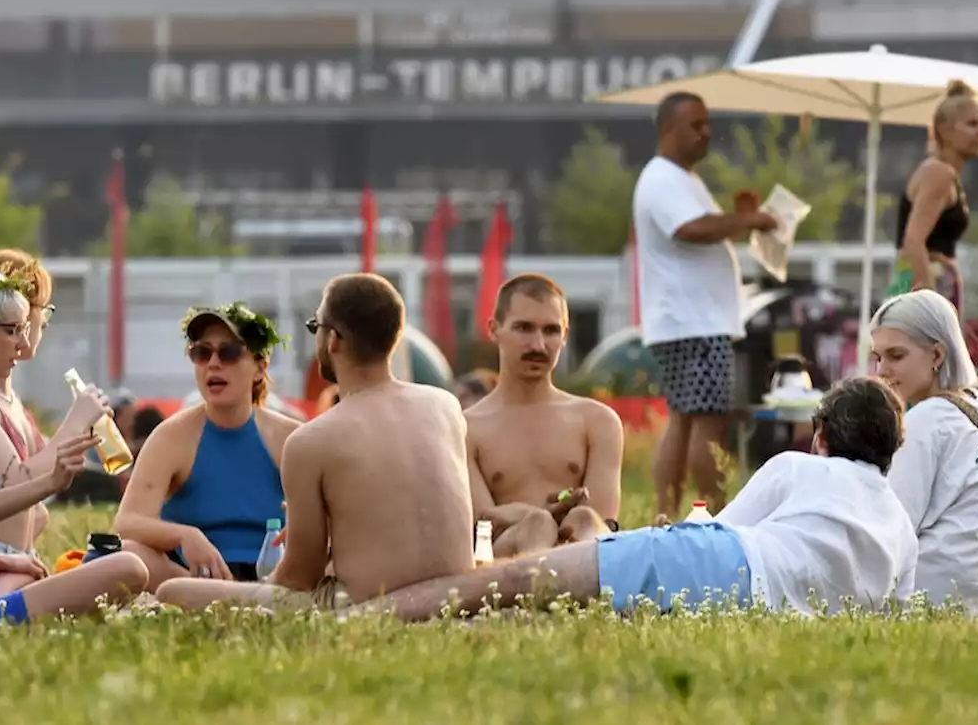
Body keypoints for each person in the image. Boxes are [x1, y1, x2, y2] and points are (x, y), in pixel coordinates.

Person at [348, 376, 918, 622]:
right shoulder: (900, 527)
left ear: (821, 437)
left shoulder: (799, 466)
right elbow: (892, 610)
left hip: (721, 565)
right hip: (753, 602)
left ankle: (361, 620)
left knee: (512, 584)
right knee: (552, 601)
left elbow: (720, 529)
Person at [155, 273, 475, 613]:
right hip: (456, 592)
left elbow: (297, 579)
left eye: (315, 327)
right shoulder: (445, 406)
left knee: (173, 591)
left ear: (333, 339)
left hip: (366, 602)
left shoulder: (311, 440)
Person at [0, 263, 148, 624]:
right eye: (11, 330)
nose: (22, 341)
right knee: (130, 567)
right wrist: (49, 483)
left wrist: (3, 560)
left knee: (33, 571)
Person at [632, 91, 778, 521]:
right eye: (696, 125)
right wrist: (748, 221)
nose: (706, 132)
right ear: (667, 129)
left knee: (685, 418)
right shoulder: (661, 178)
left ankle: (666, 513)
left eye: (707, 123)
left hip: (688, 320)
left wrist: (739, 218)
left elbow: (708, 230)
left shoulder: (682, 179)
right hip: (693, 322)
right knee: (707, 420)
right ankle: (714, 514)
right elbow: (691, 229)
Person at [0, 250, 113, 593]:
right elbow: (15, 482)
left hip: (17, 556)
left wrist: (82, 432)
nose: (42, 324)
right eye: (44, 310)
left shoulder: (8, 398)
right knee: (120, 572)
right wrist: (73, 423)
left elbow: (39, 494)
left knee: (121, 567)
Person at [114, 302, 300, 591]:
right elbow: (128, 522)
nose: (214, 363)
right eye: (201, 353)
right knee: (130, 555)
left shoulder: (291, 438)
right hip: (193, 578)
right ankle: (236, 600)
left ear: (259, 368)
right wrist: (185, 536)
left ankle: (238, 600)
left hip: (275, 576)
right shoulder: (171, 436)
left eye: (229, 352)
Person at [869, 289, 978, 611]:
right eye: (878, 358)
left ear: (936, 356)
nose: (881, 371)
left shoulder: (925, 421)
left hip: (939, 602)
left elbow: (890, 532)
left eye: (896, 356)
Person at [467, 275, 624, 557]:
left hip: (580, 552)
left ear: (564, 336)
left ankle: (571, 590)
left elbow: (603, 526)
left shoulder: (597, 422)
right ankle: (542, 592)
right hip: (500, 567)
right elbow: (482, 528)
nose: (538, 345)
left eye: (551, 331)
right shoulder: (465, 428)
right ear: (494, 330)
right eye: (524, 328)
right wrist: (539, 516)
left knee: (584, 519)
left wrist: (518, 513)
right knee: (536, 526)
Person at [887, 80, 978, 314]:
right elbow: (913, 241)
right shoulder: (938, 173)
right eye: (972, 124)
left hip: (923, 279)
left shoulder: (946, 174)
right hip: (924, 280)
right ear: (944, 129)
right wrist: (933, 308)